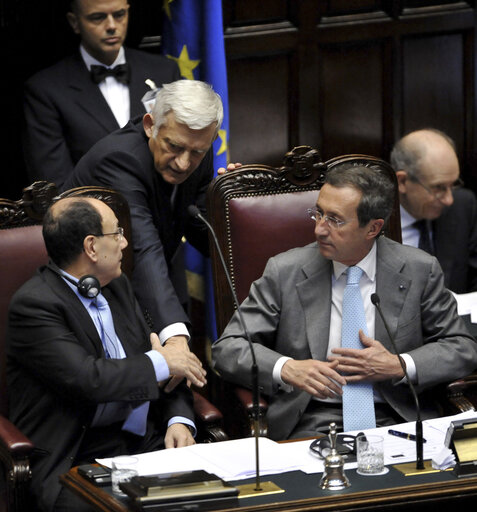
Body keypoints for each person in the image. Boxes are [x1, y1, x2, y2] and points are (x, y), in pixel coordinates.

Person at [212, 163, 477, 441]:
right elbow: (228, 349)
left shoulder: (418, 269)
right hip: (311, 419)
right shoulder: (286, 271)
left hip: (399, 416)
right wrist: (287, 368)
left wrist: (399, 364)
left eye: (335, 220)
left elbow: (462, 347)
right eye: (318, 214)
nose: (319, 230)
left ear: (373, 228)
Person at [7, 197, 207, 512]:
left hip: (143, 442)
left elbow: (161, 368)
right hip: (77, 455)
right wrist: (162, 362)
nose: (125, 242)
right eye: (117, 234)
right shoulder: (35, 306)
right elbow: (89, 379)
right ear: (91, 246)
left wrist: (178, 421)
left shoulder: (117, 286)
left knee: (208, 495)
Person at [63, 79, 223, 376]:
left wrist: (230, 203)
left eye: (198, 152)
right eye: (173, 146)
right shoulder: (119, 160)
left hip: (141, 292)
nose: (184, 163)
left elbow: (203, 230)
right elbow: (142, 247)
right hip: (88, 302)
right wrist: (174, 337)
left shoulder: (197, 148)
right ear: (151, 125)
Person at [23, 0, 180, 189]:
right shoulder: (46, 89)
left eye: (119, 14)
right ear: (74, 22)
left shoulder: (164, 71)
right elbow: (55, 185)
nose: (112, 26)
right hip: (93, 212)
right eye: (98, 18)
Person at [391, 128, 477, 293]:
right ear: (402, 182)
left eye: (453, 185)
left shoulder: (463, 206)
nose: (449, 199)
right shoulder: (372, 223)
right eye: (438, 188)